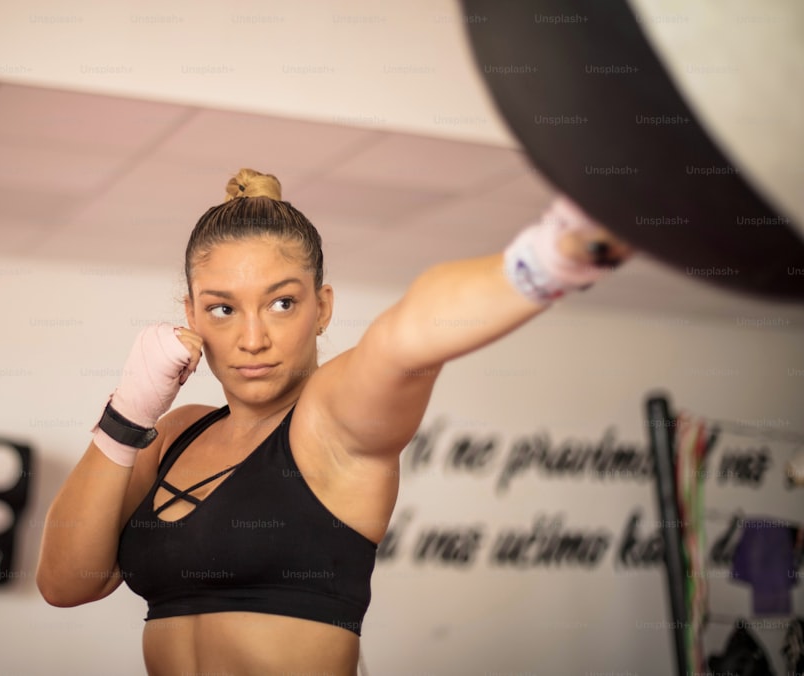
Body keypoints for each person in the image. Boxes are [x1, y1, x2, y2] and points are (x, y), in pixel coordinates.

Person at [36, 168, 632, 675]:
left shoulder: (328, 422)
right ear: (191, 315)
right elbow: (67, 584)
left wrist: (553, 256)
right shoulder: (174, 432)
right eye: (222, 308)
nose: (252, 338)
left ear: (321, 308)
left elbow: (407, 340)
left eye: (282, 303)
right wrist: (127, 416)